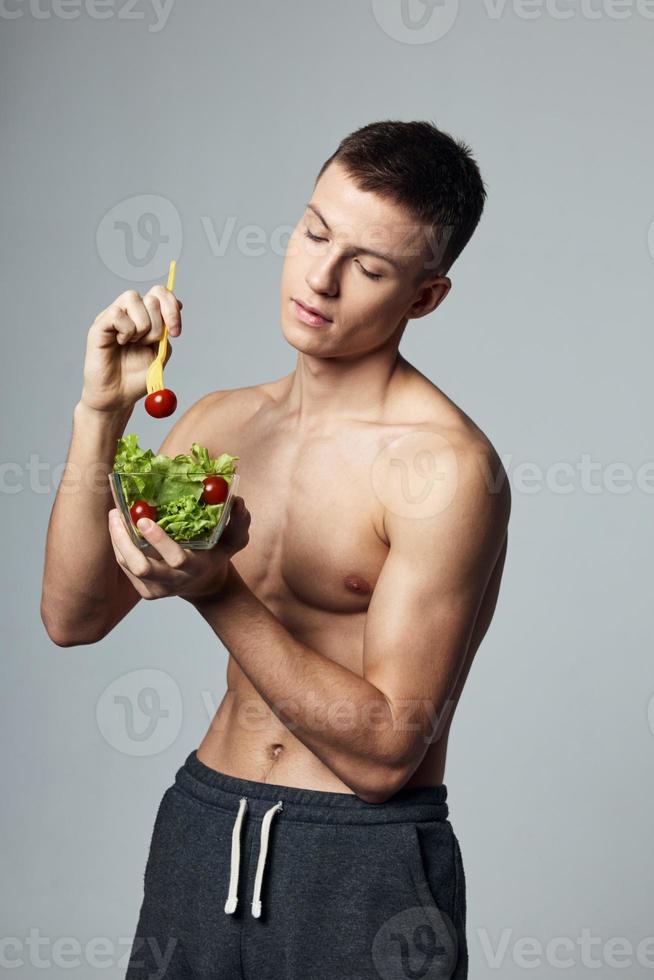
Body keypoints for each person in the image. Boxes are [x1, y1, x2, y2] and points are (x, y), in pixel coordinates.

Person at [41, 119, 511, 979]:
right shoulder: (222, 422)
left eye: (368, 267)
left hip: (360, 860)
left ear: (424, 297)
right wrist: (99, 416)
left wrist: (218, 590)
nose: (320, 278)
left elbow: (385, 754)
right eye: (314, 232)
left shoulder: (442, 469)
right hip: (202, 826)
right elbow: (73, 616)